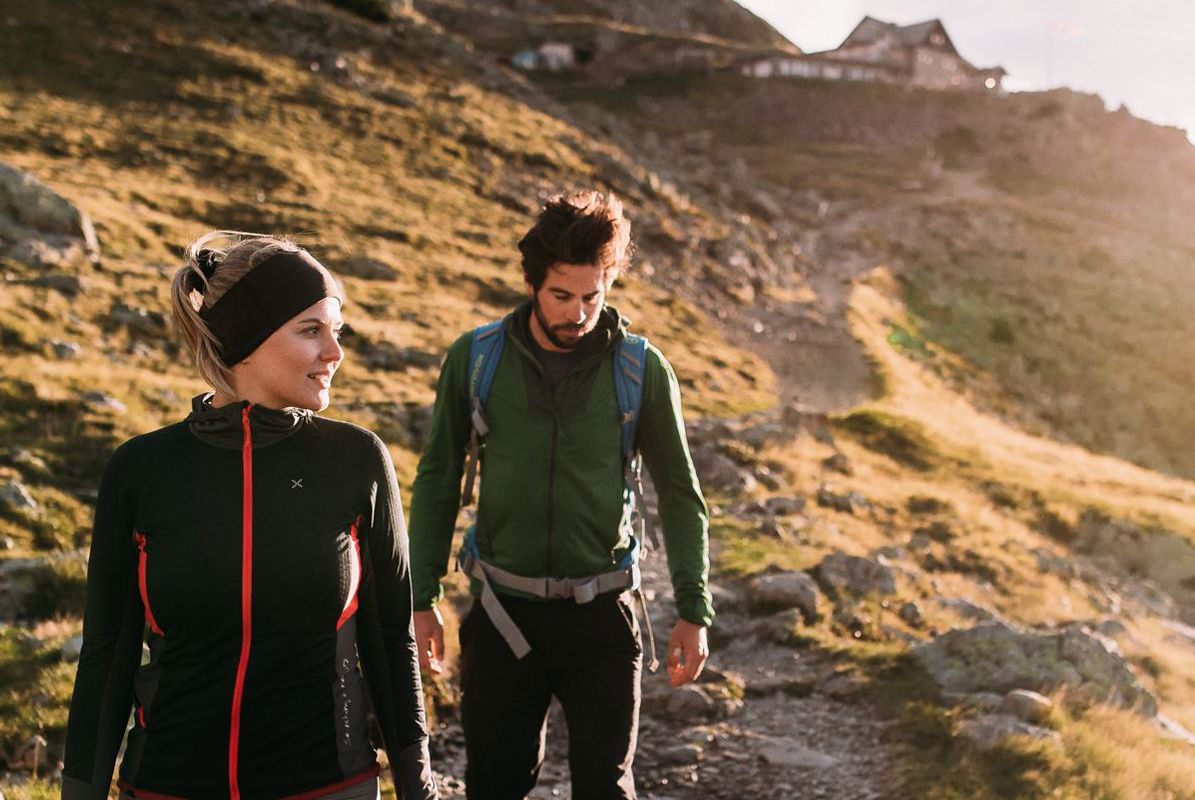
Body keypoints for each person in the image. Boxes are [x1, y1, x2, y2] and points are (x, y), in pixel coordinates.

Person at [62, 232, 436, 800]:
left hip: (327, 786)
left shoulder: (356, 460)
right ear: (246, 340)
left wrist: (420, 787)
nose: (335, 353)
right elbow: (107, 653)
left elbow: (390, 641)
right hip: (170, 785)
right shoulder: (142, 471)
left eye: (337, 332)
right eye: (311, 331)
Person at [407, 192, 712, 799]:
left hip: (602, 613)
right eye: (561, 295)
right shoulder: (477, 360)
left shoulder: (640, 369)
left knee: (604, 788)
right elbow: (439, 478)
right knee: (494, 785)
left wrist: (693, 608)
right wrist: (421, 598)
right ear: (532, 284)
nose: (578, 313)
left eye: (593, 297)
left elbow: (679, 491)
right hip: (501, 611)